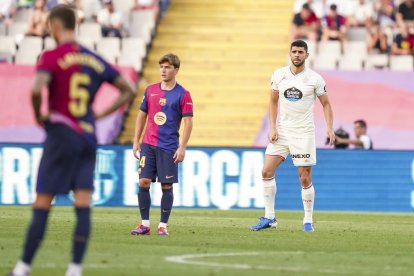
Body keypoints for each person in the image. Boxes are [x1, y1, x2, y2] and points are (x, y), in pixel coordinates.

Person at [9, 5, 134, 276]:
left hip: (60, 134)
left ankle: (23, 268)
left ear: (54, 25)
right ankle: (75, 269)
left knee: (43, 202)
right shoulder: (94, 59)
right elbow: (129, 89)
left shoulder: (51, 56)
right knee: (82, 203)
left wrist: (39, 115)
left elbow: (36, 88)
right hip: (87, 136)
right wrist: (99, 114)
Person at [250, 40, 335, 233]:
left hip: (303, 133)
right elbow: (272, 102)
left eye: (300, 52)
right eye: (294, 52)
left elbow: (326, 104)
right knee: (266, 172)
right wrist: (272, 127)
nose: (297, 55)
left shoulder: (315, 79)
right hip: (282, 132)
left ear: (307, 55)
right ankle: (270, 217)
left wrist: (330, 128)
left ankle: (307, 220)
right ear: (290, 53)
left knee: (304, 178)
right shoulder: (279, 75)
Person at [131, 53, 193, 236]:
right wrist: (136, 140)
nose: (163, 70)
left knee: (166, 186)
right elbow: (142, 115)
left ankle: (163, 226)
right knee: (143, 181)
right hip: (148, 145)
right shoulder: (150, 90)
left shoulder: (183, 94)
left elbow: (188, 122)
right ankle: (144, 224)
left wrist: (182, 147)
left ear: (176, 70)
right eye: (161, 67)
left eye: (167, 67)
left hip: (168, 147)